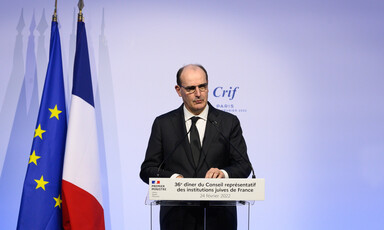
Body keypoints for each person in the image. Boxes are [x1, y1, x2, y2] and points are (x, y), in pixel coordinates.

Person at [140, 64, 251, 230]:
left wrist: (224, 174)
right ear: (179, 90)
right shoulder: (163, 124)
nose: (198, 94)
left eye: (203, 86)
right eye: (191, 88)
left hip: (218, 219)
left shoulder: (228, 122)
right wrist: (173, 179)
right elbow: (147, 169)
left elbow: (244, 166)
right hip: (177, 220)